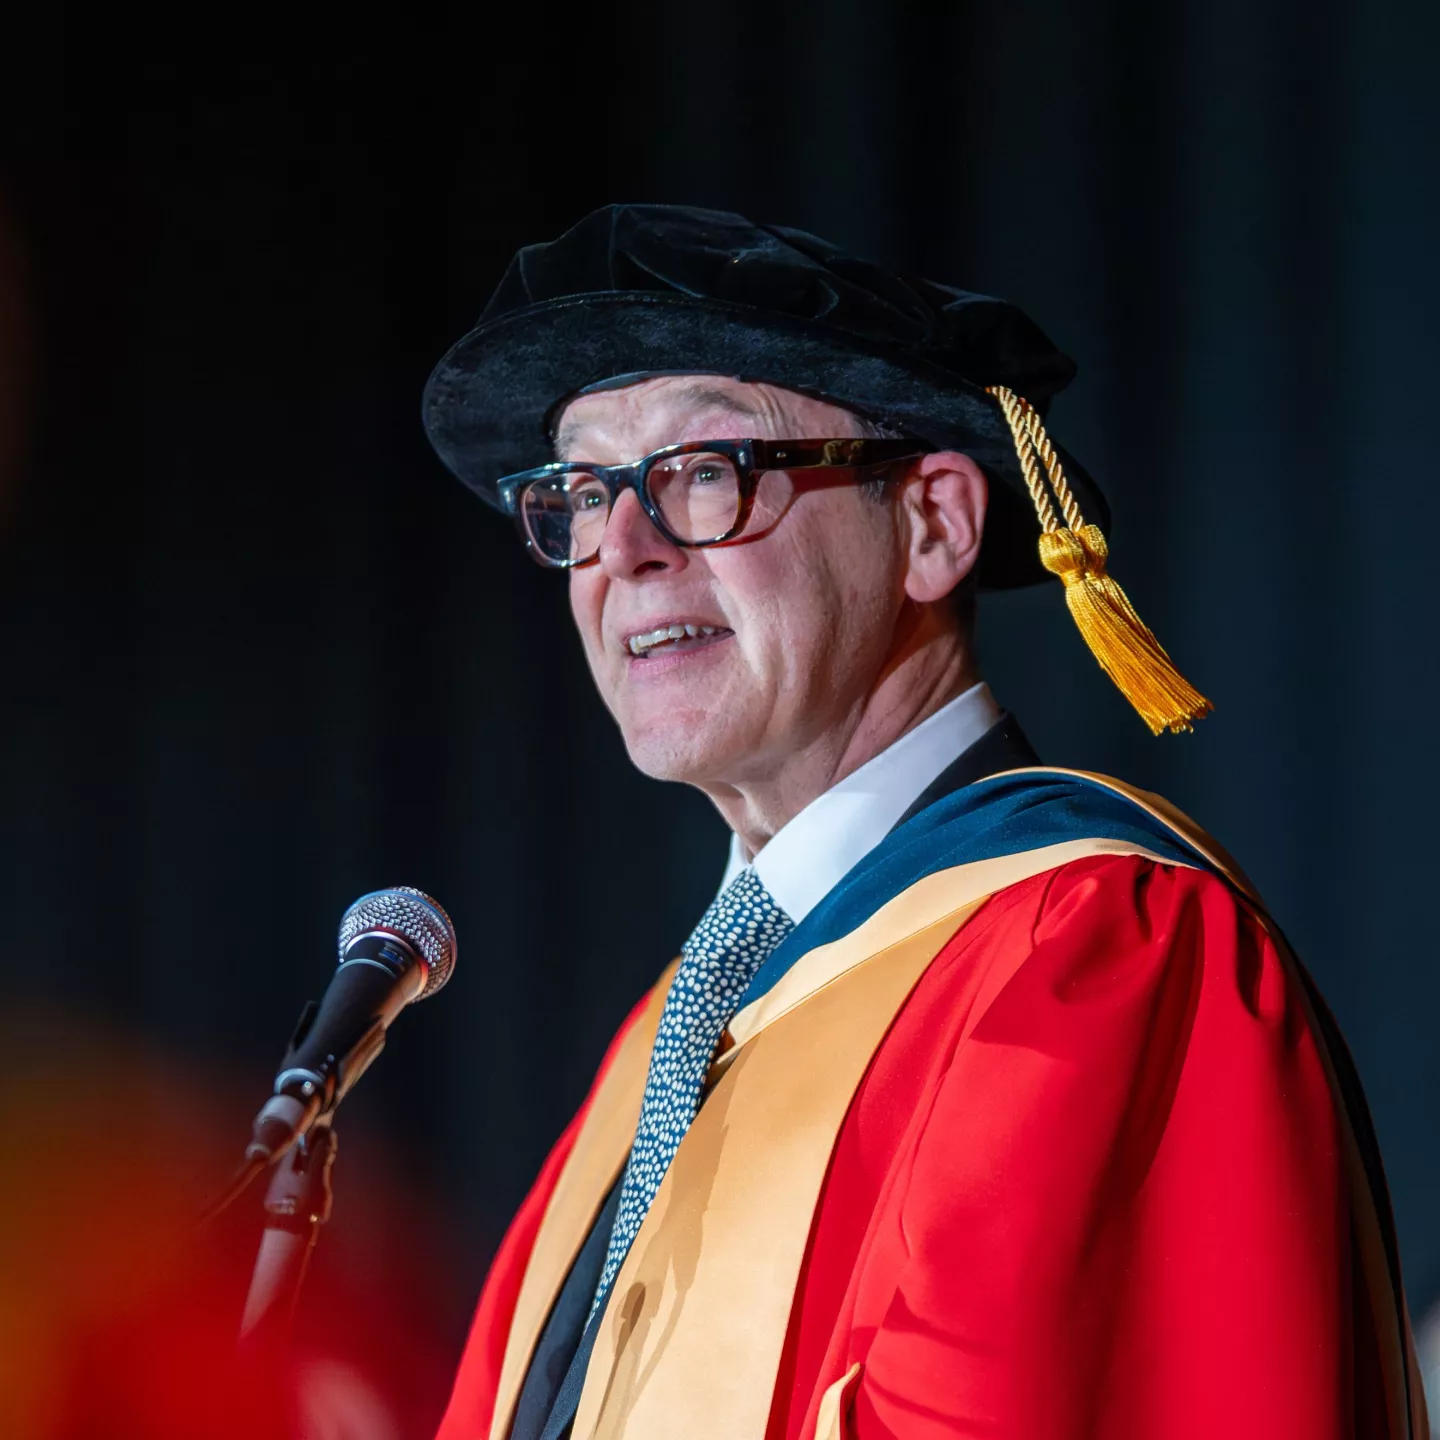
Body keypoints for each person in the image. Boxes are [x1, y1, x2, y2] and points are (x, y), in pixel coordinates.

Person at [422, 204, 1425, 1440]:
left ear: (934, 525)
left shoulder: (1092, 949)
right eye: (578, 491)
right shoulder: (679, 1031)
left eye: (702, 473)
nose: (620, 547)